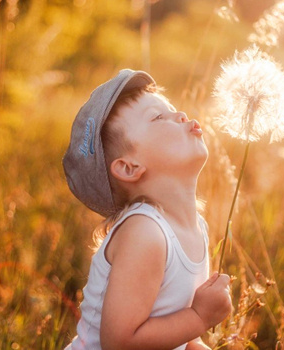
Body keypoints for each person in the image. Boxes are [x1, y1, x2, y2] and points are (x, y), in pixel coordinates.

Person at [63, 69, 232, 350]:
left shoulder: (195, 227)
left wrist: (195, 336)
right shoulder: (145, 233)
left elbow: (176, 336)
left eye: (172, 110)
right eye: (157, 117)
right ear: (129, 167)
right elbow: (119, 342)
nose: (180, 116)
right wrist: (200, 317)